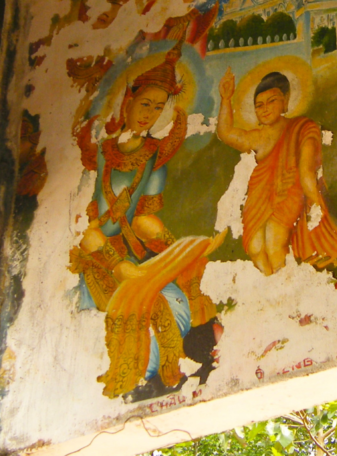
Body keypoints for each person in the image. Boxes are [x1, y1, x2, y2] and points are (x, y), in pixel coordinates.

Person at [69, 43, 223, 399]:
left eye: (158, 108)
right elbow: (88, 229)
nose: (148, 114)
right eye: (144, 104)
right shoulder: (101, 153)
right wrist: (119, 264)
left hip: (137, 253)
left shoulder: (153, 156)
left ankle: (164, 368)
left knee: (174, 296)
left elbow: (144, 218)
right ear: (127, 103)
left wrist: (176, 250)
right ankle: (142, 375)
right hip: (101, 254)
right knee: (140, 301)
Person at [216, 68, 337, 275]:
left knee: (274, 240)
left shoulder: (303, 127)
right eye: (259, 105)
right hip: (259, 196)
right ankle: (271, 289)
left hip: (289, 190)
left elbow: (306, 169)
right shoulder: (257, 137)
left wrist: (314, 202)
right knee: (256, 248)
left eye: (271, 101)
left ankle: (284, 290)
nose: (265, 109)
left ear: (285, 101)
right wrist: (225, 98)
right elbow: (226, 133)